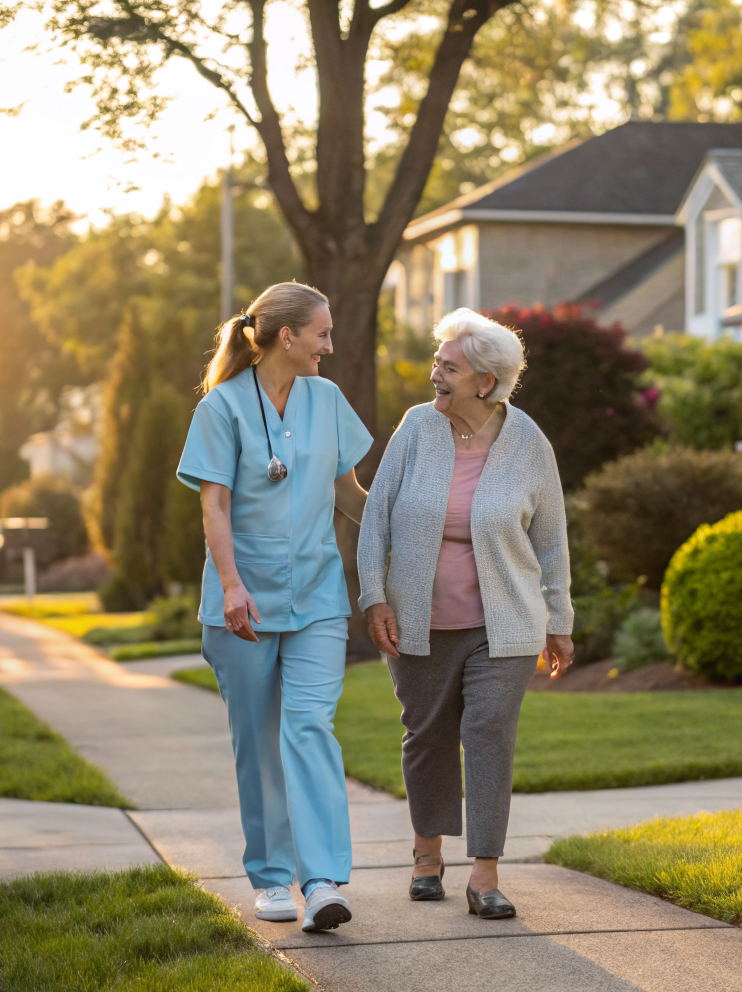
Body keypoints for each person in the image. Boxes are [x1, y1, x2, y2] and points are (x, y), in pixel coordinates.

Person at [358, 307, 575, 920]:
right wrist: (374, 595)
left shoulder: (528, 442)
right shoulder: (416, 429)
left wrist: (559, 622)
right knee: (426, 736)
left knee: (487, 734)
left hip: (505, 625)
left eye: (448, 367)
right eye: (437, 362)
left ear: (486, 380)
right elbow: (377, 518)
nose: (435, 375)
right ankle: (428, 856)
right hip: (418, 619)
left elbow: (552, 540)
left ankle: (486, 872)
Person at [176, 282, 373, 932]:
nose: (330, 345)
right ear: (287, 337)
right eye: (321, 333)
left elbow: (347, 491)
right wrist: (232, 585)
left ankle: (320, 882)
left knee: (309, 726)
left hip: (317, 596)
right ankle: (270, 878)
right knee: (258, 742)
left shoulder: (327, 399)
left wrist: (407, 532)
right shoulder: (222, 407)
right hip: (244, 605)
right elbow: (214, 504)